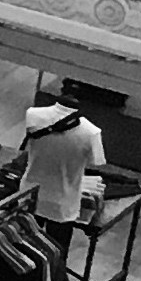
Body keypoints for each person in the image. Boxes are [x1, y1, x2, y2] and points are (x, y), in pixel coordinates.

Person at [20, 100, 107, 267]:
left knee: (23, 252)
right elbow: (96, 161)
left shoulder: (34, 115)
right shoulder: (91, 132)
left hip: (29, 195)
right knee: (57, 257)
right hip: (64, 203)